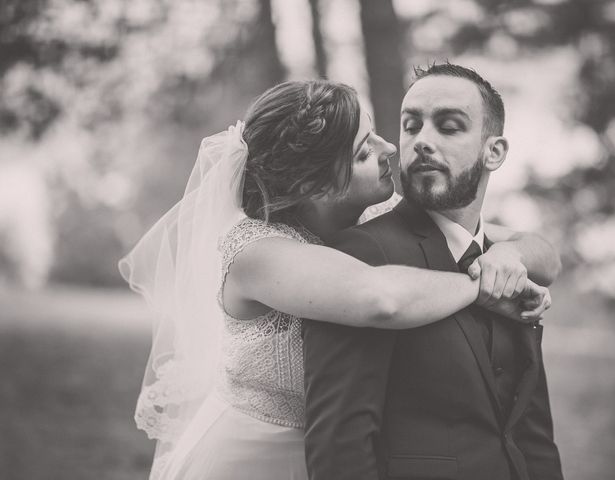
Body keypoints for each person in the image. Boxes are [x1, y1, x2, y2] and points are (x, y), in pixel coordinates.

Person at [119, 79, 559, 480]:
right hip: (252, 460)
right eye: (365, 151)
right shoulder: (256, 252)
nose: (390, 149)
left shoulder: (377, 216)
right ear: (318, 184)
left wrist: (507, 256)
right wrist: (480, 286)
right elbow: (378, 298)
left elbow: (538, 251)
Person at [303, 64, 564, 480]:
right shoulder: (362, 256)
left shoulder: (509, 265)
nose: (422, 141)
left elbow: (530, 433)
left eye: (449, 127)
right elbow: (340, 448)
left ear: (493, 152)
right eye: (411, 126)